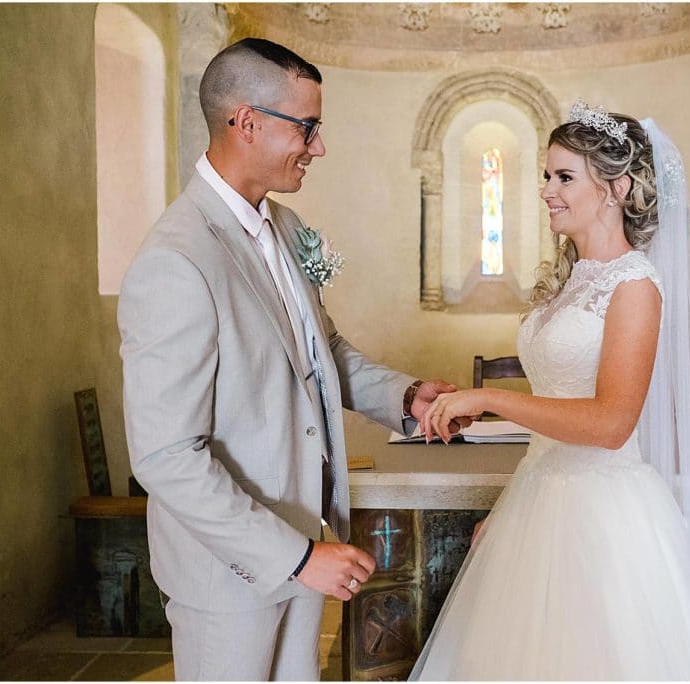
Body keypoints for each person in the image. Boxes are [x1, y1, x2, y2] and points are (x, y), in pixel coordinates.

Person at [118, 38, 464, 681]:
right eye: (307, 127)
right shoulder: (177, 259)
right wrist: (299, 557)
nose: (319, 146)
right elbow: (165, 455)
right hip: (232, 572)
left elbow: (318, 351)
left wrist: (403, 396)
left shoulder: (283, 227)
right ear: (245, 122)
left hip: (303, 535)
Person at [408, 100, 690, 680]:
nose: (547, 190)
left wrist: (488, 399)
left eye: (564, 177)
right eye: (545, 175)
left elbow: (610, 425)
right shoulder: (570, 279)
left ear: (615, 187)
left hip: (605, 517)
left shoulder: (635, 284)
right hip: (539, 496)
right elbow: (557, 405)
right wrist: (511, 508)